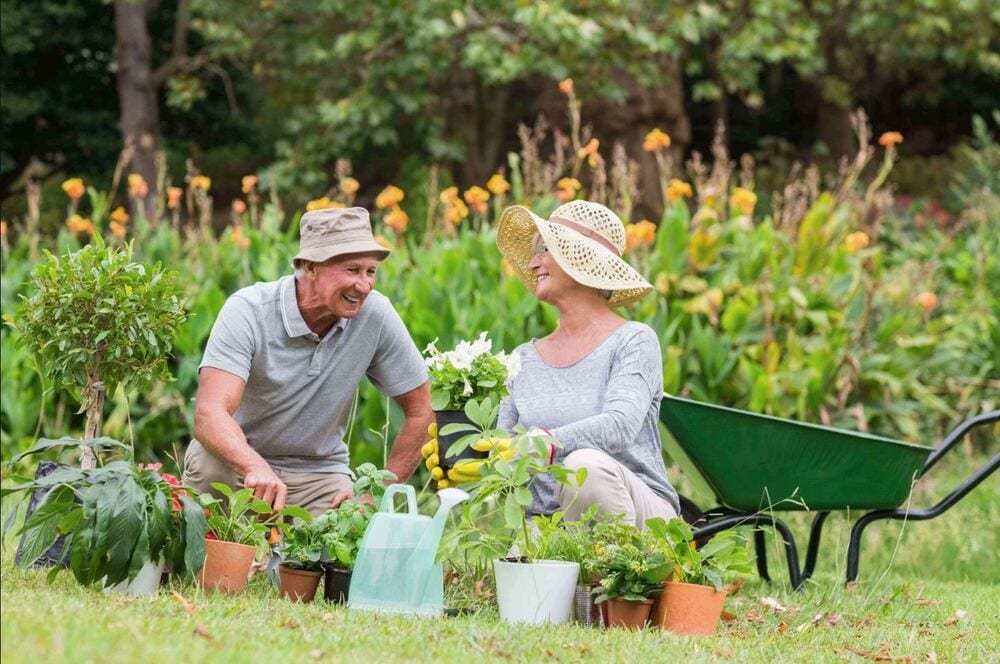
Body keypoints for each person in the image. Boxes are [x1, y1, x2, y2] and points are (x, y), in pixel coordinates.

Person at [183, 207, 433, 516]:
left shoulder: (375, 315)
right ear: (311, 267)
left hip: (320, 474)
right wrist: (254, 466)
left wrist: (377, 492)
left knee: (348, 529)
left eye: (370, 272)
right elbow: (209, 414)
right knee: (210, 482)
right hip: (237, 462)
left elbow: (423, 409)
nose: (364, 285)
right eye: (352, 269)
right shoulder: (249, 310)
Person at [492, 199, 679, 527]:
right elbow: (505, 453)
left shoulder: (633, 341)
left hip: (641, 519)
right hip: (548, 526)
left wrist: (545, 443)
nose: (533, 264)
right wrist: (463, 460)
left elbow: (619, 426)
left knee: (585, 468)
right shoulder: (522, 359)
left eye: (544, 250)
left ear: (580, 257)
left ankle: (617, 563)